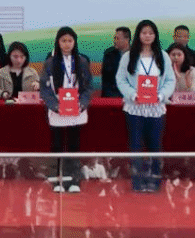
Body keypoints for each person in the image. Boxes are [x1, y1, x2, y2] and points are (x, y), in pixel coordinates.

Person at [118, 19, 177, 192]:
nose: (147, 36)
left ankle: (154, 180)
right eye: (144, 33)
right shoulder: (128, 56)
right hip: (134, 107)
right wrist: (132, 95)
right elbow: (120, 79)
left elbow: (170, 80)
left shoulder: (163, 56)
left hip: (156, 109)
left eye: (151, 33)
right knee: (136, 145)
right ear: (139, 35)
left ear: (155, 36)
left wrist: (161, 95)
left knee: (155, 145)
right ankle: (137, 180)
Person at [40, 27, 92, 192]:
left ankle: (74, 180)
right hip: (58, 109)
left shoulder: (82, 61)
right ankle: (58, 180)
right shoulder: (50, 62)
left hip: (76, 109)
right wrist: (55, 106)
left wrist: (82, 104)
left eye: (70, 40)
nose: (67, 44)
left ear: (74, 42)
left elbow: (88, 87)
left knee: (73, 144)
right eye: (63, 41)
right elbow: (44, 89)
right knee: (57, 144)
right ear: (58, 42)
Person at [99, 26, 130, 98]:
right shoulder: (109, 54)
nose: (115, 41)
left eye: (117, 38)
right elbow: (106, 81)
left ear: (126, 39)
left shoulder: (136, 54)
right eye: (114, 38)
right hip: (113, 95)